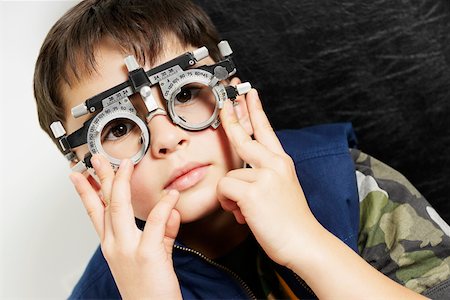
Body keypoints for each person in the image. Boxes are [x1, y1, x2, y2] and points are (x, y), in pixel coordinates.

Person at [33, 0, 450, 299]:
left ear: (234, 97)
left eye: (186, 94)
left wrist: (307, 244)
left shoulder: (345, 182)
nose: (165, 139)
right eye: (119, 127)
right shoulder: (105, 292)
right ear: (87, 170)